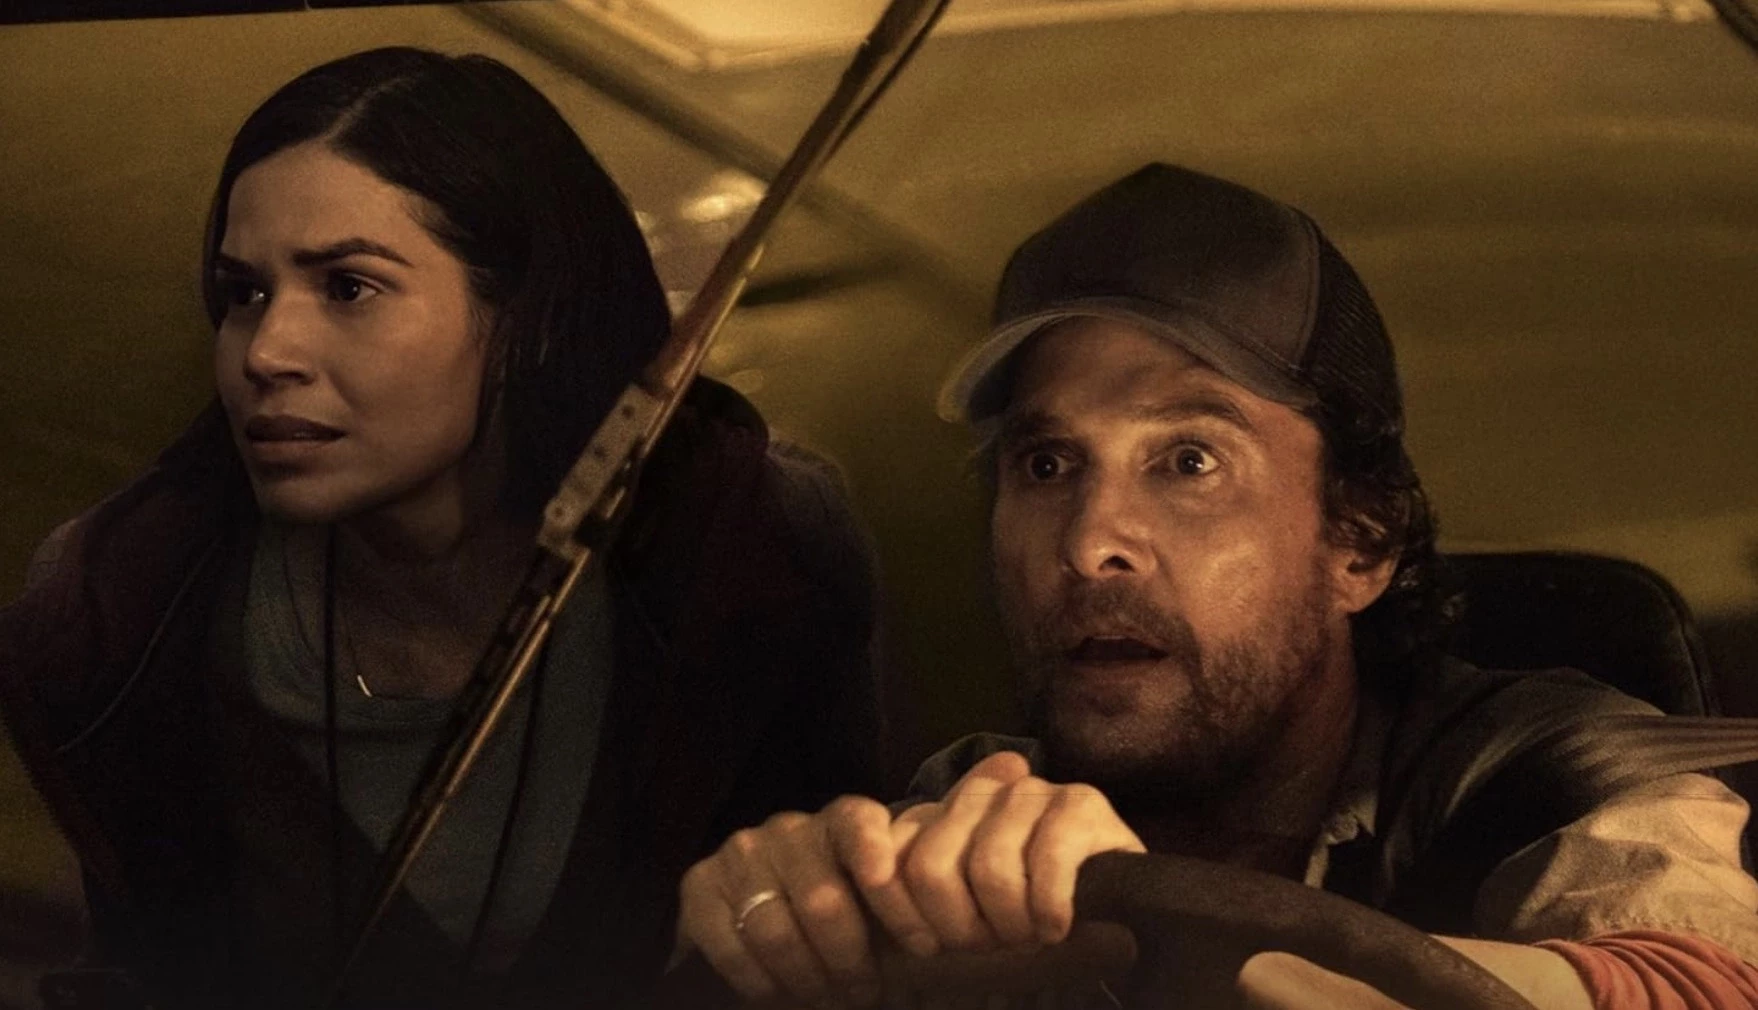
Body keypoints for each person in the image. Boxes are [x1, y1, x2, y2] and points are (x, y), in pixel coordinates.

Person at [674, 163, 1758, 1009]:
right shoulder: (966, 811)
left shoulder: (1556, 768)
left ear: (1360, 542)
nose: (1091, 541)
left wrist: (1175, 927)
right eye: (1046, 465)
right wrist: (779, 927)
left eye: (1188, 460)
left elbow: (1696, 977)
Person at [0, 47, 882, 1010]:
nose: (266, 351)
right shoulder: (121, 607)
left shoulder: (749, 542)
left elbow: (851, 938)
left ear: (525, 320)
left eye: (348, 287)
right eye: (245, 293)